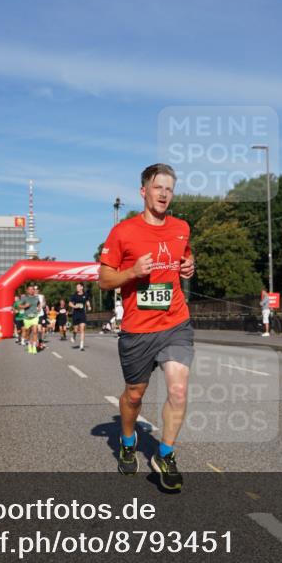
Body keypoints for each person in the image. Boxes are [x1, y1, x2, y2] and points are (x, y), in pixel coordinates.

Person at [98, 163, 196, 491]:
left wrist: (188, 266)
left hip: (175, 322)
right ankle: (128, 442)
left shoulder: (182, 227)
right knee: (135, 395)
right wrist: (132, 273)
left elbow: (185, 258)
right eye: (158, 188)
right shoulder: (123, 232)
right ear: (144, 192)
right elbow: (104, 279)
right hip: (138, 328)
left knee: (178, 389)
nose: (164, 194)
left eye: (169, 189)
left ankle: (165, 454)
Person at [15, 284, 41, 354]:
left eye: (32, 289)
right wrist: (25, 306)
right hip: (26, 318)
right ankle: (30, 345)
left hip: (35, 317)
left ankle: (34, 347)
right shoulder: (24, 298)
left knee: (35, 331)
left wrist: (39, 308)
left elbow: (38, 304)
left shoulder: (36, 298)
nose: (31, 290)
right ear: (27, 291)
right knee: (28, 333)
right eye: (30, 289)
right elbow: (18, 305)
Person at [69, 283, 91, 351]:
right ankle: (74, 336)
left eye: (78, 287)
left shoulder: (85, 295)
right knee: (76, 329)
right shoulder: (74, 295)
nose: (77, 288)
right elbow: (70, 303)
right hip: (76, 314)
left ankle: (81, 346)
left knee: (82, 328)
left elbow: (87, 301)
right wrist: (75, 306)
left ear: (82, 287)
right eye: (76, 287)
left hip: (82, 314)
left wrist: (89, 306)